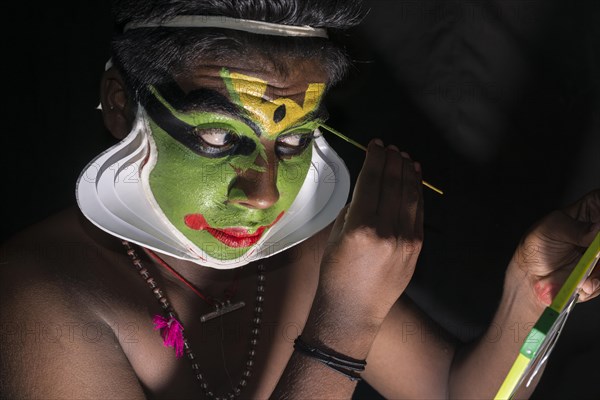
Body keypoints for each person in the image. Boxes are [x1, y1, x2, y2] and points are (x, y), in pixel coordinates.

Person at [1, 1, 599, 399]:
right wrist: (344, 322)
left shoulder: (306, 253)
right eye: (216, 135)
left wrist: (534, 297)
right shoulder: (41, 296)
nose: (262, 196)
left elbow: (455, 393)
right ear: (117, 103)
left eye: (290, 141)